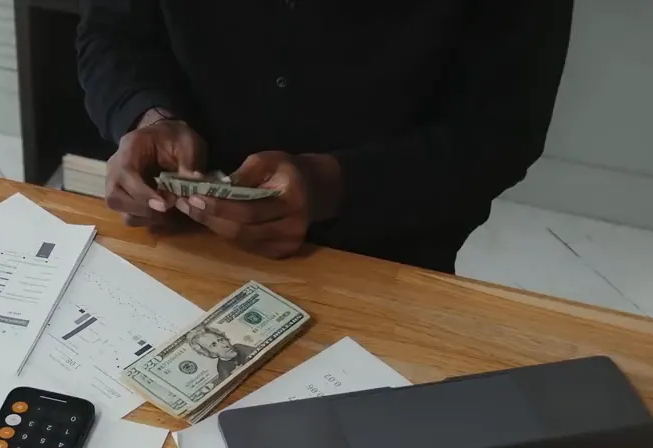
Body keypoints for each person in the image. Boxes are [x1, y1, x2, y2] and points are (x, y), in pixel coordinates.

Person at [76, 1, 573, 274]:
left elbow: (502, 131)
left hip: (382, 258)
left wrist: (334, 186)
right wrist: (146, 118)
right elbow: (112, 32)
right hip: (178, 240)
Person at [187, 327, 254, 384]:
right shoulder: (222, 369)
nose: (224, 345)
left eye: (221, 339)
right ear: (210, 354)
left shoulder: (239, 347)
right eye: (214, 345)